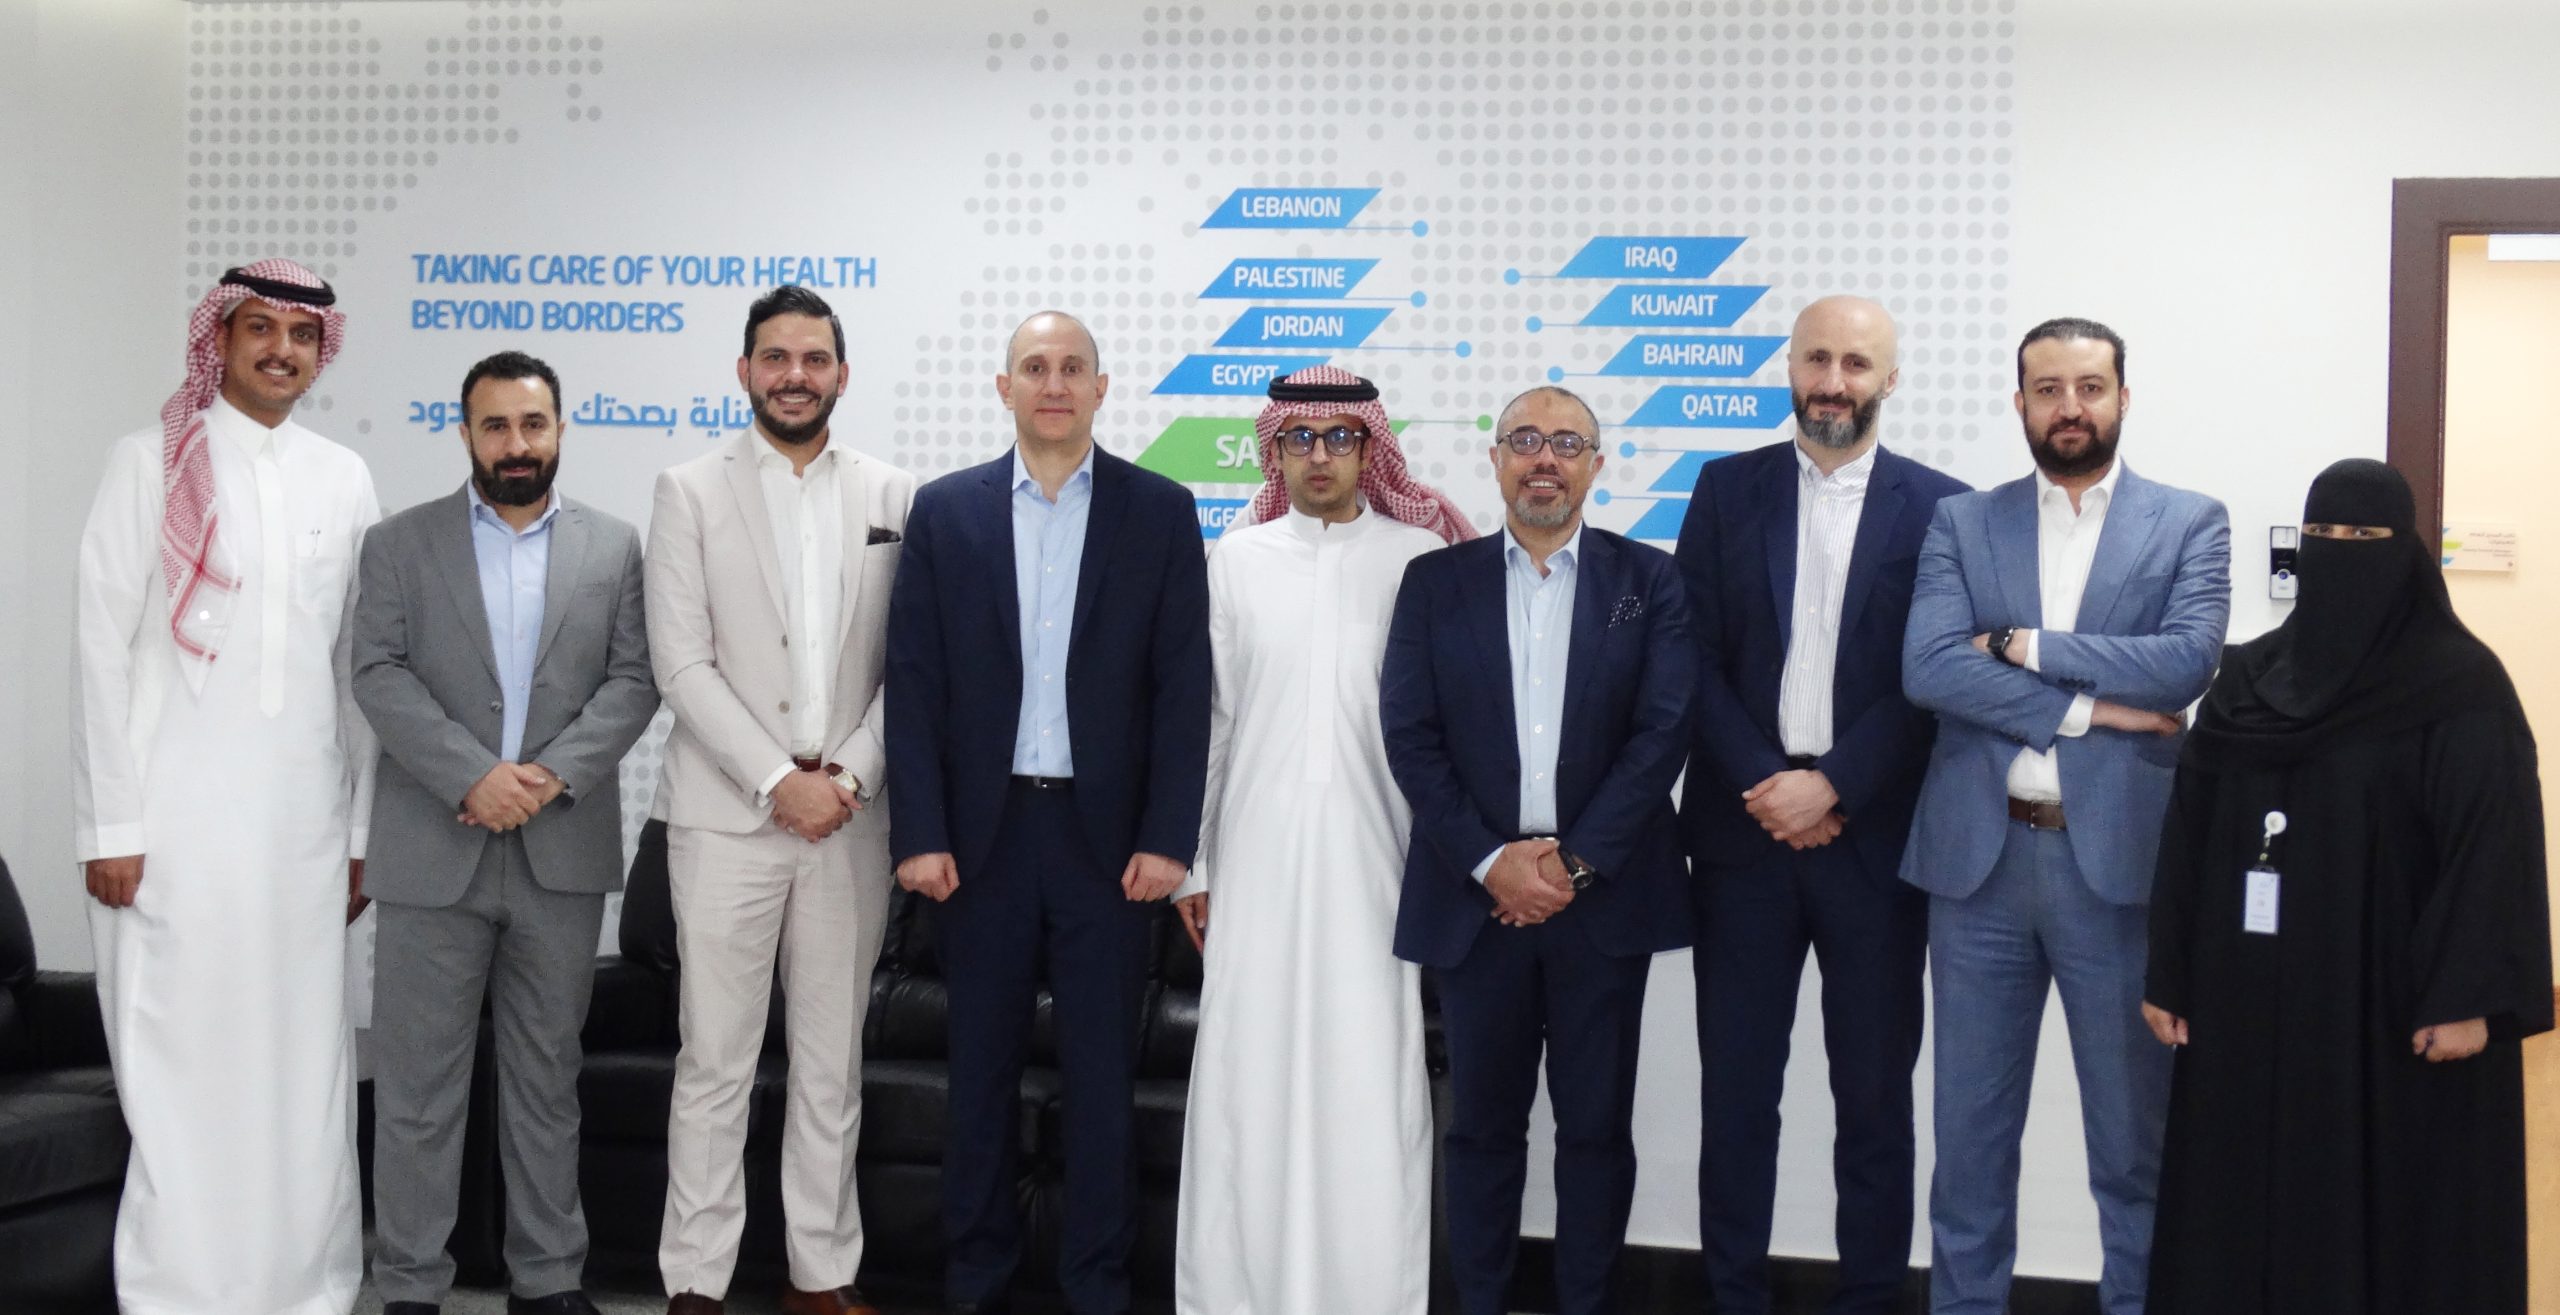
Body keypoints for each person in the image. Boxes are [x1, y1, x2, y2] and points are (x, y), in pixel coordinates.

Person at [2142, 458, 2554, 1314]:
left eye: (2364, 536)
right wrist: (2170, 972)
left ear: (2405, 551)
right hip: (2251, 999)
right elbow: (2189, 833)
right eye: (2323, 534)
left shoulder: (2461, 686)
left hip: (2393, 1011)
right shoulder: (2249, 679)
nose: (2341, 550)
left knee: (2392, 1211)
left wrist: (2469, 998)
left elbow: (2491, 850)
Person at [1899, 317, 2230, 1315]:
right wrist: (2090, 710)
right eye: (2047, 389)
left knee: (2133, 1146)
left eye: (2089, 386)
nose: (2069, 407)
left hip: (2119, 876)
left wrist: (2025, 646)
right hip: (1979, 870)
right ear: (2020, 403)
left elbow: (2183, 663)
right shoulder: (1963, 522)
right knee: (1968, 1146)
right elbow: (1929, 667)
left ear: (2123, 397)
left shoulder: (2189, 521)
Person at [885, 310, 1211, 1315]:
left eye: (1073, 367)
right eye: (1035, 366)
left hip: (1105, 848)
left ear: (1101, 389)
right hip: (978, 845)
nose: (1055, 383)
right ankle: (975, 1284)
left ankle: (1096, 1288)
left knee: (1102, 1083)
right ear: (1005, 387)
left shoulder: (1160, 511)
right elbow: (914, 682)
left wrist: (1170, 838)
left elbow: (1182, 686)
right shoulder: (946, 511)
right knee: (978, 1078)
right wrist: (920, 833)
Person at [71, 259, 378, 1315]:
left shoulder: (344, 476)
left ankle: (308, 1287)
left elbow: (358, 671)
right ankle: (180, 1292)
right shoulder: (147, 462)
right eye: (260, 328)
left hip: (304, 829)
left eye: (302, 335)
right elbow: (100, 650)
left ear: (321, 351)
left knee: (302, 1066)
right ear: (221, 337)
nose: (281, 350)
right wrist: (109, 823)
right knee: (182, 1061)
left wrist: (360, 837)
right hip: (172, 825)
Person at [1673, 295, 1970, 1314]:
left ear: (1889, 378)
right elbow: (1690, 655)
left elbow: (1935, 677)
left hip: (1874, 843)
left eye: (1854, 363)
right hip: (1743, 834)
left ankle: (1870, 1298)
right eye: (1815, 359)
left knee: (1876, 1103)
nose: (1832, 382)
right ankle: (1733, 1296)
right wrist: (1771, 784)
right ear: (1788, 366)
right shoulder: (1725, 490)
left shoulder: (1943, 509)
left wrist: (1835, 782)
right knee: (1736, 1098)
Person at [353, 349, 658, 1315]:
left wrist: (549, 776)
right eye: (495, 425)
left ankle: (549, 1279)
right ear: (465, 433)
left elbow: (635, 678)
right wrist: (472, 775)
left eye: (533, 423)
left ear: (561, 428)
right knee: (415, 1088)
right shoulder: (398, 543)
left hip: (558, 851)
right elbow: (377, 670)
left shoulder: (615, 547)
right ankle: (409, 1284)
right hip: (431, 850)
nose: (515, 443)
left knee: (547, 1079)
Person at [1381, 385, 1695, 1315]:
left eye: (1566, 442)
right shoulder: (1434, 583)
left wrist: (1571, 865)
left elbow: (1663, 732)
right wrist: (1494, 863)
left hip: (1603, 904)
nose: (1544, 458)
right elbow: (1411, 736)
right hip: (1477, 905)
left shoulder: (1650, 581)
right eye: (1525, 439)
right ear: (1496, 460)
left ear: (1596, 464)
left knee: (1596, 1133)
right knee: (1481, 1131)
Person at [1171, 366, 1474, 1315]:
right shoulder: (1236, 559)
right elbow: (1210, 724)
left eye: (1340, 437)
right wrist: (1194, 862)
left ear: (1369, 447)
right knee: (1245, 1081)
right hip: (1252, 864)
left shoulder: (1418, 557)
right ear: (1274, 450)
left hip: (1379, 866)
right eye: (1299, 438)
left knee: (1366, 1084)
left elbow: (1452, 729)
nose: (1319, 456)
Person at [645, 286, 915, 1315]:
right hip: (726, 817)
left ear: (842, 373)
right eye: (775, 357)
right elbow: (681, 662)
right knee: (713, 1059)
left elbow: (914, 667)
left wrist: (845, 777)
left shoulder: (895, 495)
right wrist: (777, 781)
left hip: (849, 816)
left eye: (814, 358)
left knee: (830, 1062)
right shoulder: (687, 490)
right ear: (745, 370)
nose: (794, 376)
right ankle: (695, 1281)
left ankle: (821, 1274)